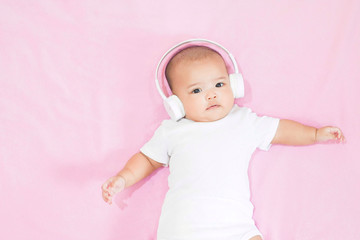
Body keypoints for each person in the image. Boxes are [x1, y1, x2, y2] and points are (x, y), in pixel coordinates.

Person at [102, 44, 345, 240]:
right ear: (175, 104)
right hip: (184, 228)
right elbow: (146, 159)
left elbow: (281, 129)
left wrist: (314, 134)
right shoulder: (172, 131)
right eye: (196, 91)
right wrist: (123, 178)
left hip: (236, 225)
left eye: (219, 84)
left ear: (234, 86)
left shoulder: (243, 121)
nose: (211, 94)